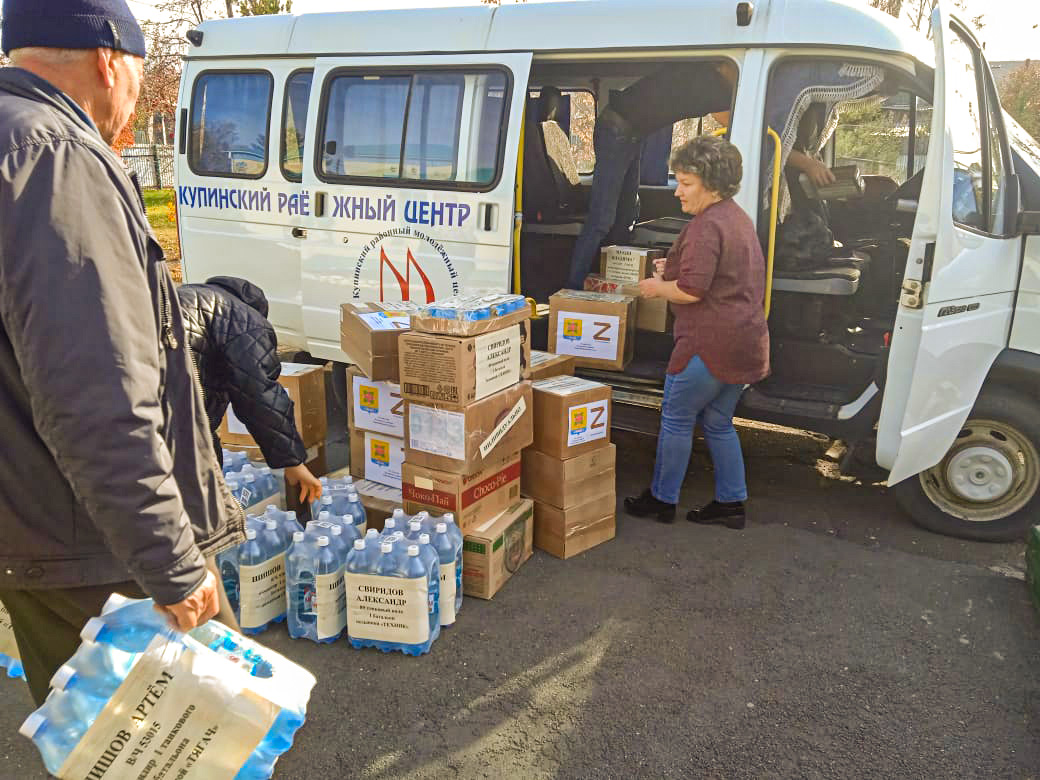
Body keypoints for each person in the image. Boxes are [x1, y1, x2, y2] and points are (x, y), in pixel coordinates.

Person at [0, 0, 244, 705]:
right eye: (139, 70)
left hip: (33, 528)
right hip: (98, 550)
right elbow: (96, 394)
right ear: (110, 60)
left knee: (92, 749)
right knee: (200, 739)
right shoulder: (56, 157)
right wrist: (169, 560)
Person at [624, 136, 770, 528]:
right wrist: (669, 273)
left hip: (708, 345)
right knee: (719, 422)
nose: (677, 192)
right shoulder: (736, 218)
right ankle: (731, 503)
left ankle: (661, 499)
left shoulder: (707, 227)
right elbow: (718, 277)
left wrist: (656, 288)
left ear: (711, 183)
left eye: (686, 183)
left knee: (675, 418)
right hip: (745, 342)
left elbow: (692, 291)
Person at [566, 61, 732, 289]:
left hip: (632, 133)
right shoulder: (712, 82)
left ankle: (614, 285)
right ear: (724, 65)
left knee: (625, 217)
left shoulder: (705, 75)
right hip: (616, 129)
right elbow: (731, 121)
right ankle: (572, 289)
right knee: (602, 219)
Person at [177, 276, 323, 504]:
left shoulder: (189, 298)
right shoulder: (244, 319)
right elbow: (260, 394)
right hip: (177, 428)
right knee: (199, 502)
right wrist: (292, 461)